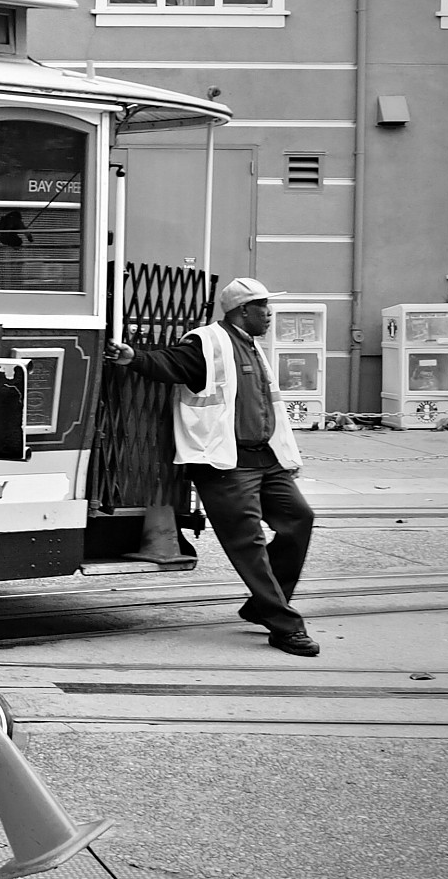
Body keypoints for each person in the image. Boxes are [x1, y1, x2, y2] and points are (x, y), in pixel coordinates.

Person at [104, 276, 319, 657]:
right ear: (242, 311)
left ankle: (263, 604)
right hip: (223, 462)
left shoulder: (252, 346)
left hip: (265, 459)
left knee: (299, 518)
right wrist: (133, 357)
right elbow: (170, 362)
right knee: (248, 543)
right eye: (263, 307)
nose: (270, 314)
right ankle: (284, 624)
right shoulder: (207, 341)